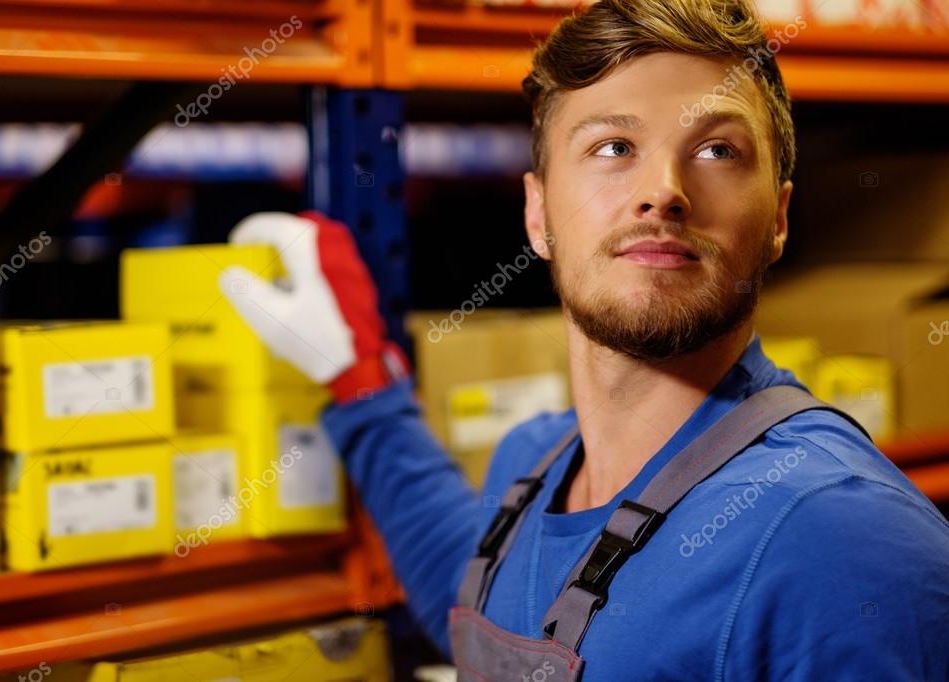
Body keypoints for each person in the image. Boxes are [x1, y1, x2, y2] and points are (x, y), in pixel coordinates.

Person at [219, 0, 949, 678]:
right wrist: (361, 385)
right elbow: (483, 604)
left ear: (779, 217)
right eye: (611, 146)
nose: (662, 189)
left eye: (717, 151)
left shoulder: (837, 538)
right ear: (537, 214)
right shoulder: (532, 466)